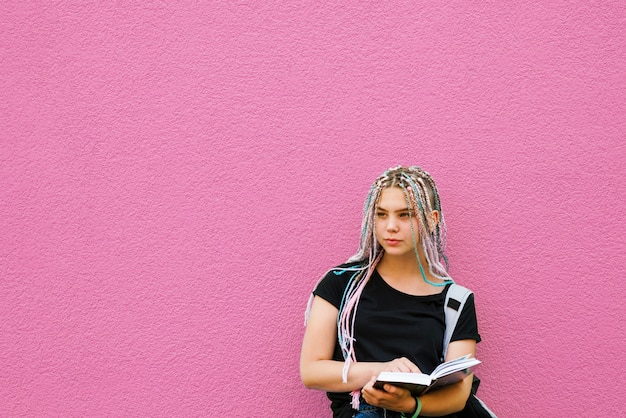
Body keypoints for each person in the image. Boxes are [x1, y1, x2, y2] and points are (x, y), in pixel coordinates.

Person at [301, 166, 481, 418]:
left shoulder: (456, 301)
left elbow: (459, 395)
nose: (391, 226)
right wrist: (385, 370)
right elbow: (311, 371)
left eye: (405, 215)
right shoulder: (341, 284)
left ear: (432, 219)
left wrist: (409, 405)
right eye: (381, 214)